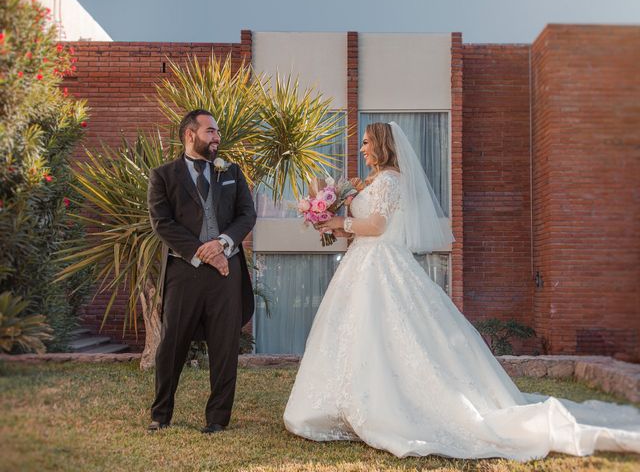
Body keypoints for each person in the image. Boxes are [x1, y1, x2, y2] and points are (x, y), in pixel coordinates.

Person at [283, 122, 640, 460]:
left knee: (388, 334)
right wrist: (335, 225)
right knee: (358, 335)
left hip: (381, 264)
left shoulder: (391, 180)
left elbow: (377, 225)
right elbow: (364, 228)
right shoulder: (373, 182)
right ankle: (344, 404)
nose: (361, 148)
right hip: (362, 262)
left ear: (380, 146)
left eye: (365, 142)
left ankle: (387, 406)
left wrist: (338, 220)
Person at [147, 109, 256, 433]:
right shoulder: (163, 175)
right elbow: (162, 222)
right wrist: (201, 252)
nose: (217, 137)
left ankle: (217, 419)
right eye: (210, 131)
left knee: (225, 347)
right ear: (189, 135)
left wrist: (221, 244)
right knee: (172, 344)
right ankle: (161, 413)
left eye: (218, 132)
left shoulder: (232, 172)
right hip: (185, 271)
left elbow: (246, 215)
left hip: (227, 272)